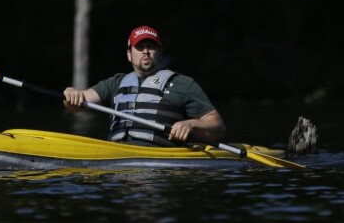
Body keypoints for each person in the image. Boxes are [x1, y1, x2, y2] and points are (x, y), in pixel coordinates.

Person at [63, 25, 226, 146]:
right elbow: (76, 104)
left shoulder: (182, 84)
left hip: (158, 160)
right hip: (117, 155)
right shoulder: (116, 83)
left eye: (151, 46)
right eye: (140, 47)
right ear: (129, 54)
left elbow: (218, 127)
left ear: (160, 53)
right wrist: (71, 94)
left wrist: (191, 125)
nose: (146, 51)